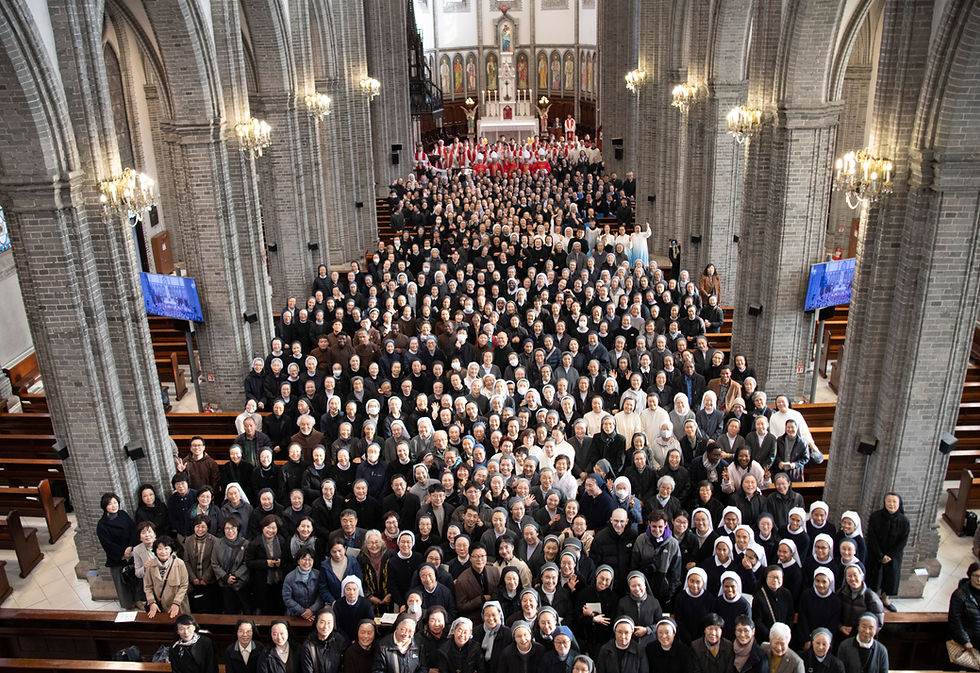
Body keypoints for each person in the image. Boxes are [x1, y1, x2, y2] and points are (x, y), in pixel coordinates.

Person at [865, 492, 909, 612]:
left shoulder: (904, 521)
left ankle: (885, 598)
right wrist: (880, 555)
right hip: (876, 553)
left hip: (893, 556)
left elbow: (902, 540)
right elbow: (872, 537)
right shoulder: (875, 517)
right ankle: (872, 598)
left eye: (894, 502)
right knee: (874, 577)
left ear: (899, 504)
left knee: (890, 577)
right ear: (884, 503)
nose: (891, 504)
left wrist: (889, 555)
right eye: (889, 501)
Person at [96, 492, 137, 609]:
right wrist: (123, 554)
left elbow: (133, 530)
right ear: (105, 507)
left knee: (135, 580)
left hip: (131, 552)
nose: (113, 506)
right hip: (117, 557)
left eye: (115, 502)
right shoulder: (102, 525)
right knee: (122, 583)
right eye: (110, 504)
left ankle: (138, 600)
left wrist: (130, 547)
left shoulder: (123, 514)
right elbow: (107, 544)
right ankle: (128, 604)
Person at [145, 536, 192, 618]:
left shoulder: (179, 563)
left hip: (179, 605)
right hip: (160, 606)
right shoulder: (150, 565)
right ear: (155, 550)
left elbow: (184, 585)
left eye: (166, 548)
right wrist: (152, 602)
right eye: (160, 549)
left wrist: (176, 603)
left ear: (171, 550)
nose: (163, 552)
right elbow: (148, 587)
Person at [948, 561, 980, 670]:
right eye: (976, 576)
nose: (979, 580)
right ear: (970, 575)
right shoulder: (960, 595)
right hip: (967, 642)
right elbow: (955, 619)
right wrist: (965, 640)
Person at [301, 607, 350, 673]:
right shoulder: (308, 646)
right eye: (322, 622)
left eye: (329, 622)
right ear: (316, 623)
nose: (325, 626)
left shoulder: (340, 641)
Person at [282, 548, 323, 620]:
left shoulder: (318, 575)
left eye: (310, 559)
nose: (307, 562)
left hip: (314, 614)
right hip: (294, 615)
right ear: (298, 561)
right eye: (304, 559)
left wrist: (312, 610)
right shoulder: (290, 577)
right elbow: (287, 598)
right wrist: (303, 612)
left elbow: (321, 595)